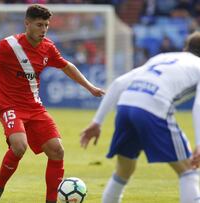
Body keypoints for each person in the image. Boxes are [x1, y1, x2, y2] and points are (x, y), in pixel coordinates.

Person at [0, 4, 105, 203]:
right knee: (19, 146)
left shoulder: (48, 47)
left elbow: (67, 66)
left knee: (57, 150)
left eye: (46, 25)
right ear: (27, 24)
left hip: (35, 107)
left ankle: (51, 200)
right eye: (39, 25)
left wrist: (90, 87)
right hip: (9, 106)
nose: (43, 30)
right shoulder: (8, 45)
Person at [80, 32, 200, 203]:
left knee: (124, 170)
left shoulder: (164, 57)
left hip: (126, 105)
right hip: (152, 108)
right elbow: (199, 105)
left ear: (185, 48)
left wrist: (97, 121)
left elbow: (119, 83)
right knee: (189, 169)